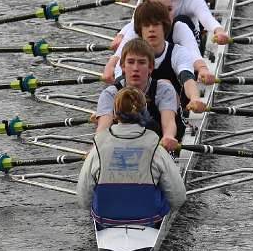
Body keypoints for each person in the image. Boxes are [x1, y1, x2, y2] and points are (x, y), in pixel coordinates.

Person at [77, 86, 186, 226]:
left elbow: (83, 200)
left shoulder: (97, 147)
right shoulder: (155, 147)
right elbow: (178, 198)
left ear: (115, 115)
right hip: (148, 219)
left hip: (106, 219)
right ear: (145, 112)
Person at [105, 0, 215, 85]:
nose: (166, 14)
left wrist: (203, 69)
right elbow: (119, 55)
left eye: (169, 9)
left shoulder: (179, 27)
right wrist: (110, 67)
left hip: (175, 78)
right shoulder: (136, 30)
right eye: (159, 9)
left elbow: (193, 53)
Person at [95, 38, 183, 148]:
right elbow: (103, 128)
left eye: (141, 62)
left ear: (150, 67)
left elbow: (168, 122)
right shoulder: (110, 94)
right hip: (122, 148)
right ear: (123, 66)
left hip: (157, 147)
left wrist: (168, 136)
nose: (135, 68)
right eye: (130, 62)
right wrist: (96, 148)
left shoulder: (164, 89)